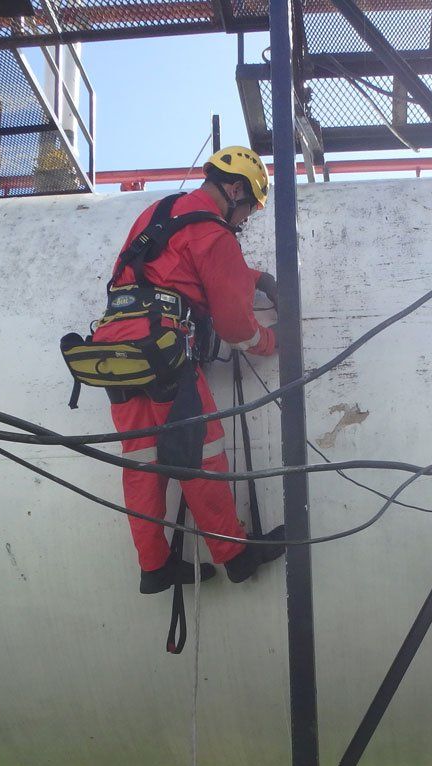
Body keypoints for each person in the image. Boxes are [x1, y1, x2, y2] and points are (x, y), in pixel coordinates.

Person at [93, 145, 287, 594]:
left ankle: (155, 567)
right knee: (200, 454)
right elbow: (236, 327)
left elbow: (173, 264)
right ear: (235, 189)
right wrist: (274, 341)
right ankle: (236, 556)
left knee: (142, 461)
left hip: (116, 349)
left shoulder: (159, 212)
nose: (245, 220)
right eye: (249, 209)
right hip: (163, 351)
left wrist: (251, 276)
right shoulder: (215, 234)